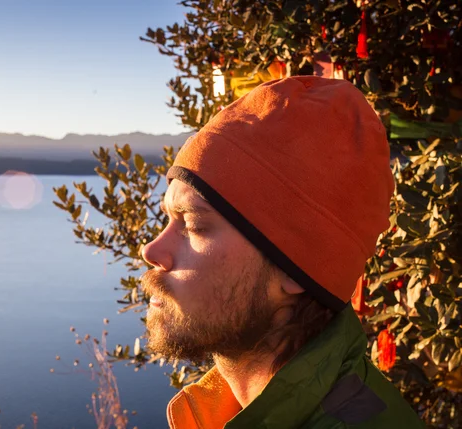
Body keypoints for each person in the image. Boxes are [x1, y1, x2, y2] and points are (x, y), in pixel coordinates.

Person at [140, 76, 425, 429]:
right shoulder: (231, 409)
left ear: (293, 269)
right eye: (167, 218)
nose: (151, 250)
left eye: (195, 225)